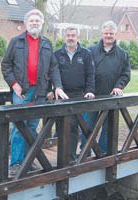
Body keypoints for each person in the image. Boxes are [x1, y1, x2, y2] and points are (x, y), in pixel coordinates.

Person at [1, 9, 68, 175]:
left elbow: (53, 67)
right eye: (31, 21)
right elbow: (5, 65)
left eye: (37, 21)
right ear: (26, 23)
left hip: (40, 91)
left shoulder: (46, 43)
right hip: (22, 91)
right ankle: (15, 164)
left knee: (31, 127)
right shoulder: (16, 42)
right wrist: (14, 84)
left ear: (41, 24)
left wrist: (57, 86)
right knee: (19, 126)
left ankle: (27, 161)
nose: (34, 23)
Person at [81, 20, 131, 154]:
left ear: (115, 34)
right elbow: (84, 72)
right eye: (106, 33)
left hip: (111, 97)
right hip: (92, 96)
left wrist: (119, 86)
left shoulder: (122, 54)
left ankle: (103, 153)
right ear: (102, 33)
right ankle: (84, 152)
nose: (108, 35)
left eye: (111, 33)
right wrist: (88, 90)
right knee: (87, 126)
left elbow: (125, 74)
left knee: (108, 127)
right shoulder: (90, 51)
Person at [49, 27, 95, 160]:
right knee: (61, 126)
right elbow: (49, 73)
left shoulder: (86, 54)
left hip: (78, 95)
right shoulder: (57, 54)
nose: (70, 38)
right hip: (61, 95)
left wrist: (90, 91)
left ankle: (71, 156)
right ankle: (61, 155)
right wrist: (50, 91)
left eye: (73, 35)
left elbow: (91, 74)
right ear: (64, 37)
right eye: (68, 35)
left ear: (78, 37)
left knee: (74, 126)